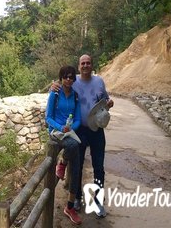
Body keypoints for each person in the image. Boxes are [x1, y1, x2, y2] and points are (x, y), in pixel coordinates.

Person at [51, 54, 114, 218]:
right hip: (80, 131)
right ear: (79, 66)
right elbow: (60, 86)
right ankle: (77, 197)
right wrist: (53, 85)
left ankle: (98, 201)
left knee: (99, 167)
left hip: (96, 130)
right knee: (77, 166)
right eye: (82, 63)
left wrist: (110, 103)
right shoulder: (73, 80)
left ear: (92, 65)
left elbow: (106, 100)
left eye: (88, 63)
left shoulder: (99, 81)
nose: (85, 65)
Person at [45, 65, 82, 225]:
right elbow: (48, 117)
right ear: (61, 78)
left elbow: (79, 118)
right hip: (56, 130)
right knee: (74, 146)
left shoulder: (75, 96)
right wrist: (61, 128)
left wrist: (71, 128)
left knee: (77, 168)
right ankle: (62, 163)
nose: (68, 79)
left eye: (71, 77)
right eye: (65, 76)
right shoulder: (55, 94)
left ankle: (70, 206)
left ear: (74, 79)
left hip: (69, 131)